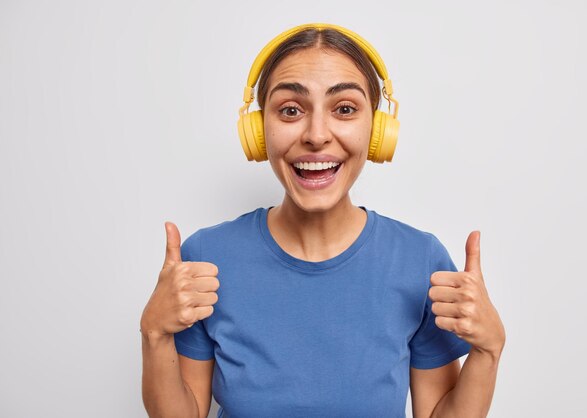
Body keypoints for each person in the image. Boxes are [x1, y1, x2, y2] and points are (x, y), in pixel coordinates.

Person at [140, 23, 505, 418]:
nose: (316, 135)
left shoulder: (420, 260)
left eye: (344, 109)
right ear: (259, 131)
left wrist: (489, 351)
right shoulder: (207, 257)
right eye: (291, 110)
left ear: (377, 130)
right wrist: (155, 335)